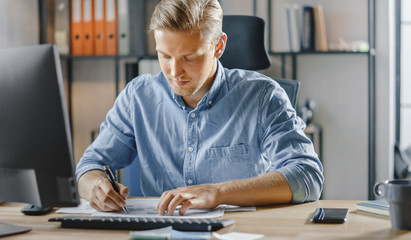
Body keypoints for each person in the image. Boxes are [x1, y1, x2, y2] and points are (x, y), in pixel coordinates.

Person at [76, 0, 323, 216]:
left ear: (219, 46)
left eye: (190, 58)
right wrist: (95, 185)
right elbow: (89, 165)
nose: (175, 72)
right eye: (165, 56)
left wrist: (219, 192)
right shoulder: (138, 96)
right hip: (160, 232)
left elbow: (307, 175)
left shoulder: (263, 96)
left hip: (241, 231)